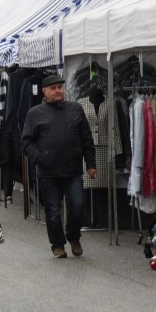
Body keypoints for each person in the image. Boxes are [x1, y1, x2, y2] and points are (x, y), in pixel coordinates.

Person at [21, 75, 97, 258]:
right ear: (44, 91)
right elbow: (26, 142)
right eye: (53, 88)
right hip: (48, 172)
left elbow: (86, 138)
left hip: (73, 169)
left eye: (60, 87)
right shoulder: (35, 113)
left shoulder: (75, 109)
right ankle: (57, 244)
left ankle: (73, 236)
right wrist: (40, 158)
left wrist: (91, 163)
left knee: (77, 205)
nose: (58, 91)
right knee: (53, 211)